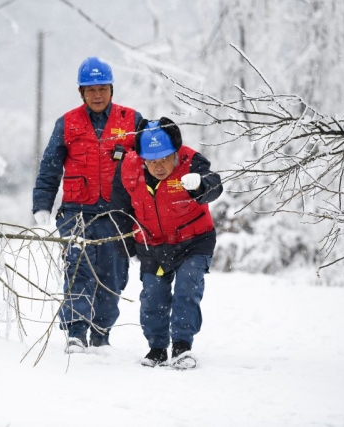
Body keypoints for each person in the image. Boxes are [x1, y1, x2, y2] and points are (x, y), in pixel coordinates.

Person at [32, 57, 143, 353]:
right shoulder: (67, 123)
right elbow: (50, 167)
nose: (97, 95)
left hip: (117, 215)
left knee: (113, 274)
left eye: (103, 89)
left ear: (111, 90)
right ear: (81, 92)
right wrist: (42, 204)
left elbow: (156, 160)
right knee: (77, 270)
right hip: (75, 213)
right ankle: (76, 332)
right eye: (90, 89)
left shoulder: (131, 121)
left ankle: (101, 332)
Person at [110, 117, 222, 369]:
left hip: (194, 241)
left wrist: (201, 185)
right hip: (152, 245)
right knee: (153, 296)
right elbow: (119, 210)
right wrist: (126, 247)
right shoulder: (128, 168)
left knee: (187, 287)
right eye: (152, 161)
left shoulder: (191, 162)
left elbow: (215, 185)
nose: (158, 166)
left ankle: (182, 346)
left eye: (164, 159)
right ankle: (157, 348)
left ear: (175, 153)